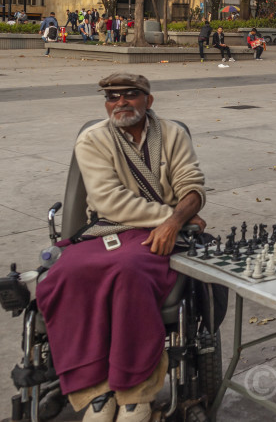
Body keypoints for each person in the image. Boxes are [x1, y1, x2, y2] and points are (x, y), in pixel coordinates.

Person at [36, 73, 205, 422]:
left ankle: (135, 392)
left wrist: (176, 224)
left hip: (161, 235)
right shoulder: (92, 139)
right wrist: (171, 216)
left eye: (130, 95)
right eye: (112, 97)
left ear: (149, 100)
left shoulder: (172, 135)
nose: (121, 103)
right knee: (65, 274)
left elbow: (193, 186)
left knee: (130, 272)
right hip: (107, 228)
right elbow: (108, 200)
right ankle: (94, 390)